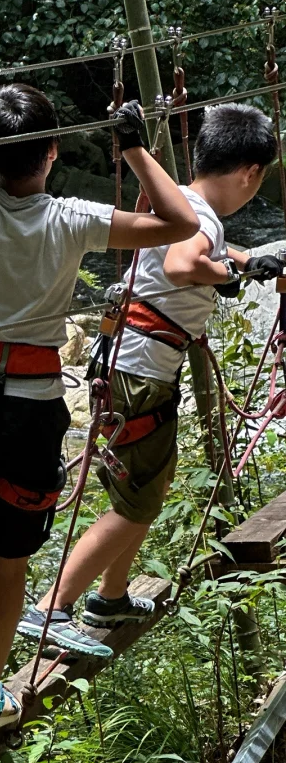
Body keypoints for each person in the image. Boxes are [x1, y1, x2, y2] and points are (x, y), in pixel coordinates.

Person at [0, 31, 199, 763]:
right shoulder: (70, 218)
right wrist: (133, 148)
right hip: (31, 411)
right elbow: (180, 224)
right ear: (54, 154)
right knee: (6, 570)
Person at [17, 103, 283, 658]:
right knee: (136, 503)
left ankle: (109, 596)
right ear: (250, 172)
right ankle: (49, 610)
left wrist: (246, 257)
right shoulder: (202, 219)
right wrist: (230, 272)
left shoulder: (182, 204)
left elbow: (193, 252)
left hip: (126, 364)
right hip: (142, 371)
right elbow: (185, 266)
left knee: (145, 490)